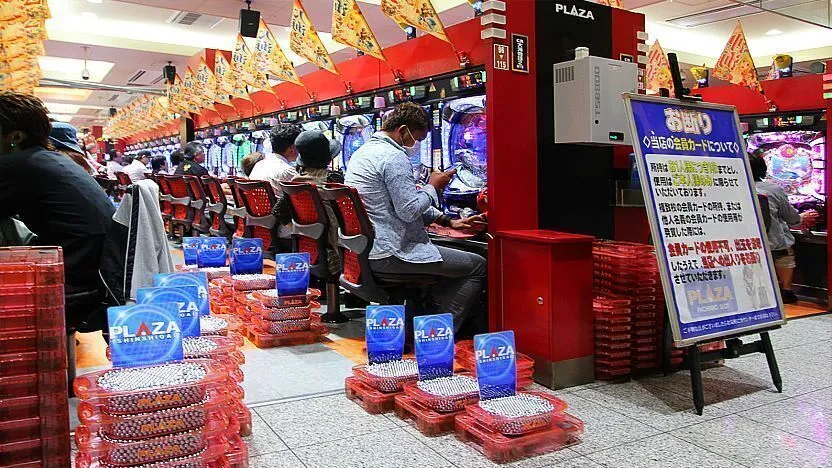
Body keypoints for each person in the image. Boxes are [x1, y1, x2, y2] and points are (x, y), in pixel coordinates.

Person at [344, 102, 487, 332]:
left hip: (366, 252)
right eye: (417, 139)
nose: (415, 145)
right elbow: (409, 210)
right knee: (478, 265)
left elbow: (396, 203)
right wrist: (433, 186)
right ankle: (435, 333)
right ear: (402, 130)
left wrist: (448, 221)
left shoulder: (362, 153)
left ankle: (424, 320)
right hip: (392, 252)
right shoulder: (393, 157)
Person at [0, 92, 115, 298]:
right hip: (100, 266)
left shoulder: (18, 164)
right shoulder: (46, 159)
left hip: (73, 271)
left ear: (16, 137)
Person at [750, 153, 817, 304]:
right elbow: (791, 218)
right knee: (785, 254)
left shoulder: (732, 187)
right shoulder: (772, 189)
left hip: (746, 242)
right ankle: (786, 290)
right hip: (772, 242)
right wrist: (802, 218)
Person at [292, 130, 344, 275]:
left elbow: (279, 212)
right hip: (334, 250)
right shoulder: (333, 179)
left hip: (305, 247)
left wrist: (307, 231)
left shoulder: (294, 182)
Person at [249, 123, 301, 197]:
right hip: (281, 205)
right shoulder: (286, 171)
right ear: (292, 148)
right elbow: (308, 198)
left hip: (260, 204)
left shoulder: (259, 165)